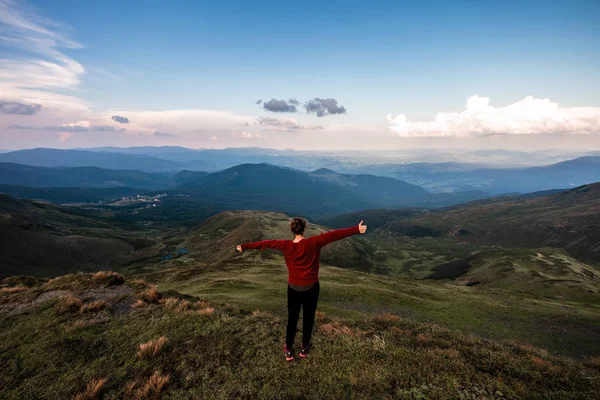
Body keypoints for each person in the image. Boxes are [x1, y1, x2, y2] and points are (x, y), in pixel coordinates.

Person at [236, 218, 367, 361]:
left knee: (292, 318)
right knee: (308, 318)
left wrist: (244, 246)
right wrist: (355, 229)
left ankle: (288, 349)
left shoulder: (285, 245)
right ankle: (304, 348)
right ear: (304, 229)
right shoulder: (313, 243)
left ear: (292, 230)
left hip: (293, 287)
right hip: (311, 287)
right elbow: (333, 235)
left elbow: (265, 244)